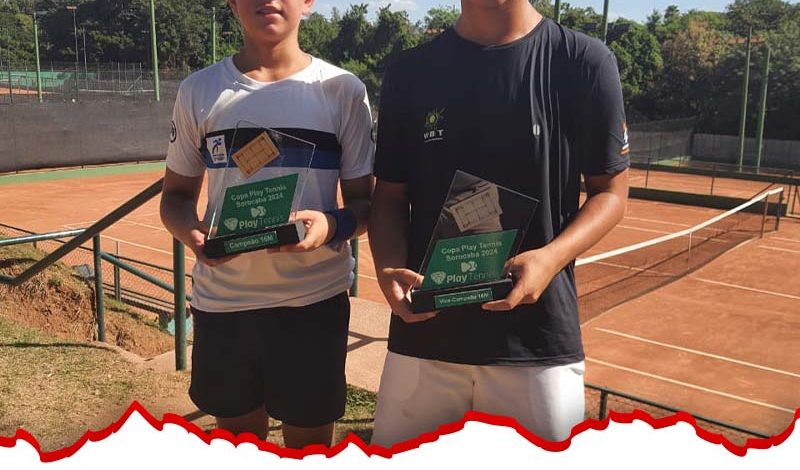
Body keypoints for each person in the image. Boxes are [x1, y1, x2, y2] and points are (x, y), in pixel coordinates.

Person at [368, 0, 629, 446]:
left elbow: (611, 193)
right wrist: (388, 268)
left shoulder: (583, 61)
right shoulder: (410, 72)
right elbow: (389, 198)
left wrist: (550, 259)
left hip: (537, 344)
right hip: (425, 339)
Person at [160, 0, 374, 449]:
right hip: (224, 305)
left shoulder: (343, 90)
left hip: (313, 304)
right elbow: (175, 199)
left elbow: (367, 206)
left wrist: (330, 226)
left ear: (308, 3)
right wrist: (194, 236)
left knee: (309, 449)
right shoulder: (199, 90)